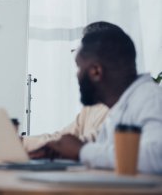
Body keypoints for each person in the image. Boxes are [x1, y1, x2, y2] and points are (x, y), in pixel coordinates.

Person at [30, 22, 162, 174]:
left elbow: (157, 157)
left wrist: (82, 151)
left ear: (96, 71)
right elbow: (108, 159)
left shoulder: (151, 99)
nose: (77, 75)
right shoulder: (120, 107)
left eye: (79, 67)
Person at [23, 22, 125, 152]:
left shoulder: (125, 106)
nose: (77, 73)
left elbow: (86, 143)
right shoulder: (91, 108)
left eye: (81, 61)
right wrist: (20, 142)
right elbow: (61, 137)